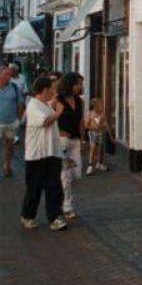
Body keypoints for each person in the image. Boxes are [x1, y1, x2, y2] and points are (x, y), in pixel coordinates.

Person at [20, 76, 68, 231]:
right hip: (36, 155)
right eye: (52, 88)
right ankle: (27, 216)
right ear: (45, 90)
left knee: (54, 187)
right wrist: (59, 112)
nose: (54, 91)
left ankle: (55, 217)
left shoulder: (44, 104)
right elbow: (45, 121)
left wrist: (54, 103)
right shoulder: (33, 106)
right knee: (34, 188)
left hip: (52, 153)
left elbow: (49, 107)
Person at [55, 73, 85, 219]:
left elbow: (80, 121)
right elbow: (51, 119)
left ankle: (62, 200)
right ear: (69, 84)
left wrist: (83, 140)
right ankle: (67, 206)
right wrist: (58, 132)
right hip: (62, 141)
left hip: (75, 141)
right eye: (77, 83)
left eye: (81, 84)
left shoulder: (79, 101)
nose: (80, 87)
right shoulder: (57, 100)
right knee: (65, 175)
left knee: (75, 173)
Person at [0, 66, 25, 177]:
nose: (8, 77)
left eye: (9, 75)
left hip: (11, 122)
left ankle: (7, 165)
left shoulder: (14, 87)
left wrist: (18, 119)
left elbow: (20, 103)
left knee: (9, 146)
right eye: (6, 75)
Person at [84, 97, 115, 175]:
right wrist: (92, 127)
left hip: (101, 133)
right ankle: (90, 165)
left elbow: (106, 124)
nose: (102, 107)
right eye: (100, 106)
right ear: (95, 107)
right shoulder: (90, 114)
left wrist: (110, 135)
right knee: (93, 148)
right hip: (93, 133)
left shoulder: (102, 114)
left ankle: (99, 163)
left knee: (101, 149)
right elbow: (86, 125)